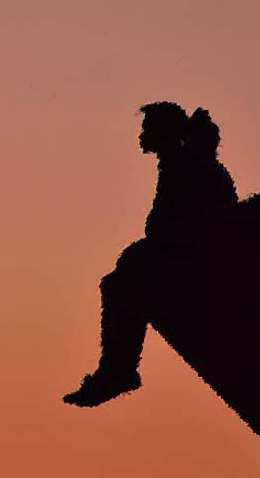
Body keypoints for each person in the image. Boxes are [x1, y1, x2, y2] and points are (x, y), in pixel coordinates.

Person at [63, 102, 238, 407]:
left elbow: (187, 219)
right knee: (122, 275)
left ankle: (118, 372)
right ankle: (117, 371)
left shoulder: (184, 165)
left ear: (163, 132)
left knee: (119, 285)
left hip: (198, 255)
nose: (142, 136)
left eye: (147, 128)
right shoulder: (181, 162)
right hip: (188, 249)